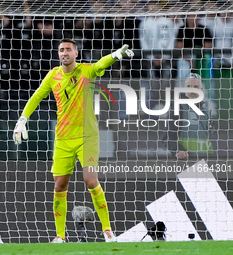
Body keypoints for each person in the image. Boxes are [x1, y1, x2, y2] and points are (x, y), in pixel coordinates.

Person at [13, 38, 134, 243]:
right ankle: (60, 236)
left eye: (68, 49)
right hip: (63, 138)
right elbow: (36, 97)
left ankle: (107, 231)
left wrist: (115, 56)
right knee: (59, 185)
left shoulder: (85, 71)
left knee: (90, 180)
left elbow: (99, 65)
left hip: (87, 136)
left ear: (76, 53)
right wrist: (23, 119)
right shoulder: (53, 76)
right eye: (61, 50)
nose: (64, 53)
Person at [163, 73, 214, 160]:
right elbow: (167, 137)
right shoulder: (178, 108)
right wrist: (178, 151)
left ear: (201, 90)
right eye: (189, 86)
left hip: (205, 161)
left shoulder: (206, 112)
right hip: (186, 162)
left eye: (195, 87)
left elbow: (211, 136)